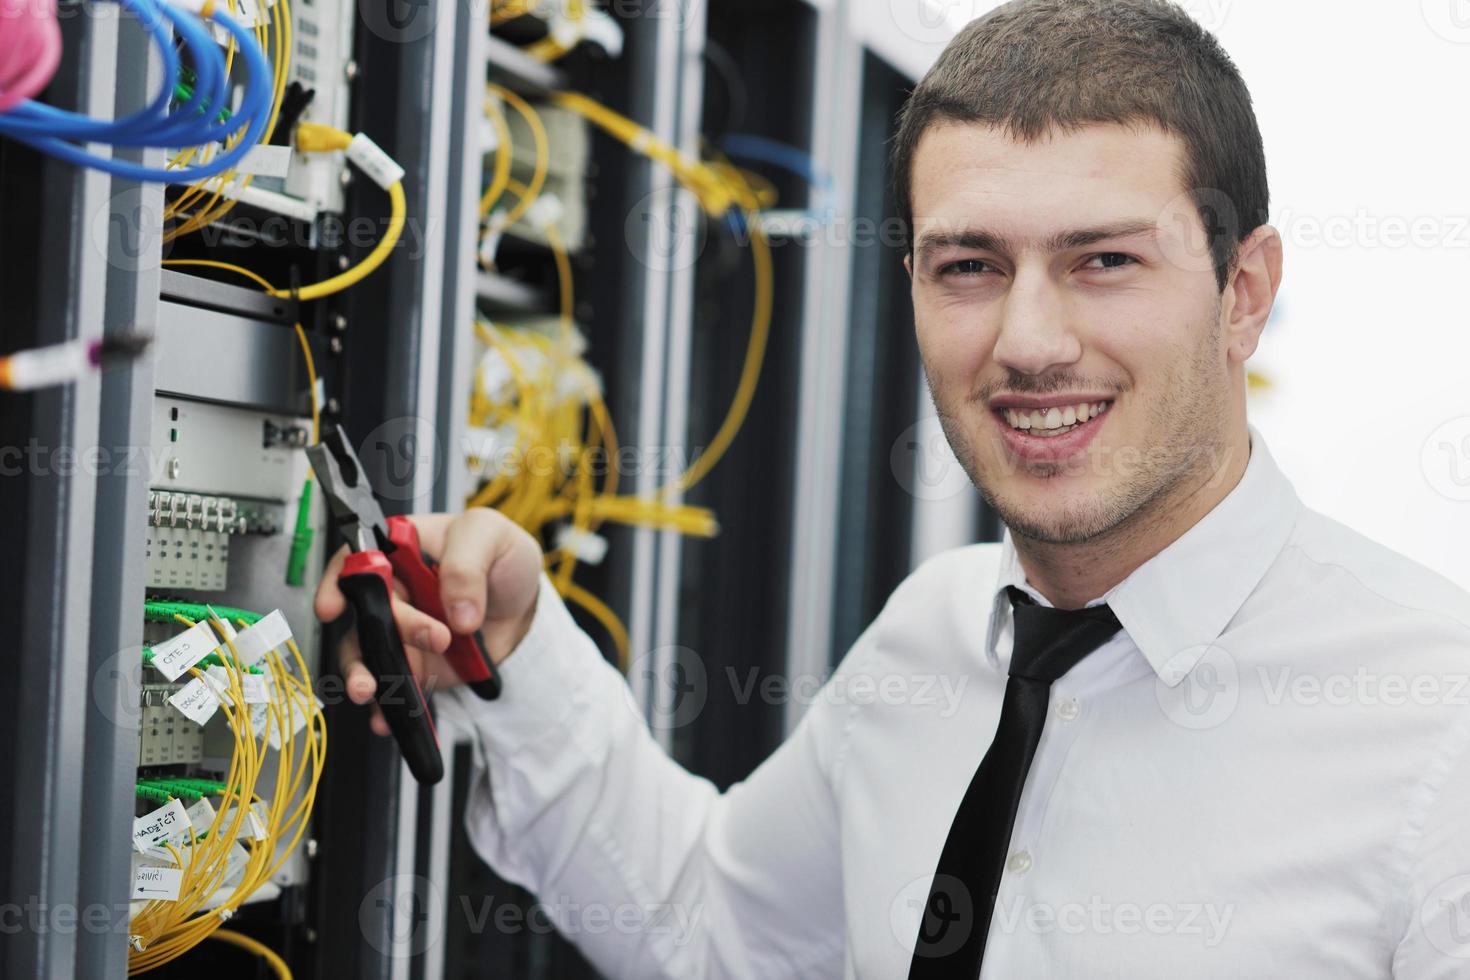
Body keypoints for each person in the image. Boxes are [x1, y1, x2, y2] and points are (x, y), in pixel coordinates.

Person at [315, 1, 1470, 976]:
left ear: (1244, 290)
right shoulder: (937, 635)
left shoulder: (1436, 741)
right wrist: (515, 640)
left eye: (1102, 260)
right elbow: (711, 929)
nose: (1027, 341)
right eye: (969, 266)